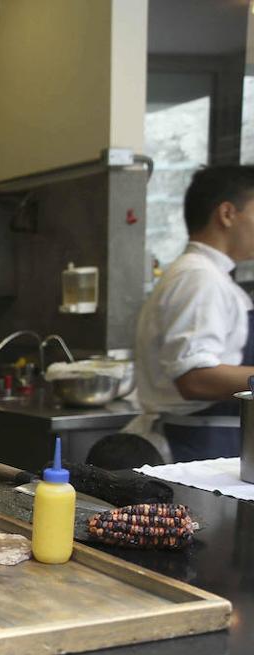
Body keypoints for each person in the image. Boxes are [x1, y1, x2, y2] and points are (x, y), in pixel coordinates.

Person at [131, 166, 254, 462]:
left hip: (211, 441)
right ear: (227, 214)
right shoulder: (199, 277)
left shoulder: (211, 276)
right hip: (193, 446)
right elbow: (195, 377)